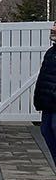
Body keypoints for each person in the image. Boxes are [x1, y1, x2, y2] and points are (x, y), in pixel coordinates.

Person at [33, 23, 56, 166]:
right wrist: (38, 100)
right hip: (47, 104)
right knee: (46, 131)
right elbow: (43, 78)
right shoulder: (51, 52)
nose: (53, 29)